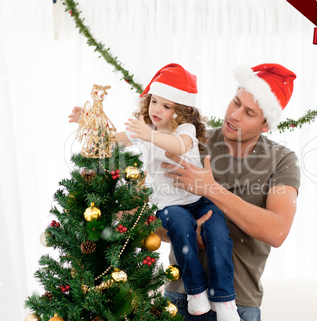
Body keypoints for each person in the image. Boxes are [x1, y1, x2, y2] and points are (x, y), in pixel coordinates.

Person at [69, 63, 240, 321]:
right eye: (154, 102)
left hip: (198, 200)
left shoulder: (185, 130)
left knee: (219, 233)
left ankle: (225, 300)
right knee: (182, 231)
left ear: (181, 112)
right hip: (169, 207)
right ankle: (196, 292)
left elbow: (179, 146)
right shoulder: (144, 130)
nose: (157, 109)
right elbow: (112, 139)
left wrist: (149, 135)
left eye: (167, 106)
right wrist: (90, 122)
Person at [158, 63, 301, 321]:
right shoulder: (192, 144)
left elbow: (277, 231)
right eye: (235, 102)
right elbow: (152, 222)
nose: (234, 115)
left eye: (249, 112)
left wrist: (211, 190)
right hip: (180, 298)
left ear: (265, 124)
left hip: (239, 304)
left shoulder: (281, 160)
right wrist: (186, 230)